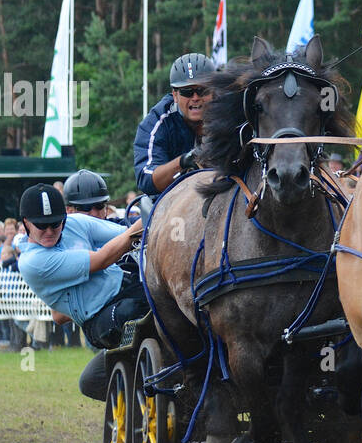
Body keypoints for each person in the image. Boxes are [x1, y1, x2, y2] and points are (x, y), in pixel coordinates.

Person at [14, 184, 146, 400]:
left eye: (55, 224)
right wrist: (152, 215)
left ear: (64, 218)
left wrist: (155, 215)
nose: (49, 232)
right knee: (133, 311)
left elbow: (124, 233)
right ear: (26, 223)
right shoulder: (33, 262)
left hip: (128, 286)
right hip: (99, 319)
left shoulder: (75, 224)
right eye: (41, 226)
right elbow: (103, 259)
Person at [133, 53, 215, 196]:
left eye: (202, 90)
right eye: (187, 92)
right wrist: (183, 162)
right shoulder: (156, 122)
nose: (195, 98)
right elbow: (146, 179)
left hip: (222, 195)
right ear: (175, 95)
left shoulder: (230, 113)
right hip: (171, 201)